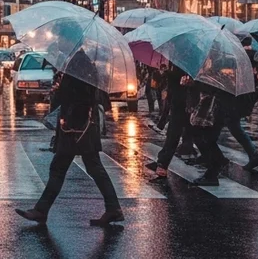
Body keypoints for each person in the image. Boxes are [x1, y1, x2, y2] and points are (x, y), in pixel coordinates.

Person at [16, 55, 125, 227]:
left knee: (66, 168)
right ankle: (112, 209)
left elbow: (79, 95)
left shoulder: (78, 64)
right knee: (82, 167)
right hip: (80, 126)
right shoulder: (78, 62)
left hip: (78, 127)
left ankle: (41, 211)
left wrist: (58, 90)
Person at [150, 66, 190, 179]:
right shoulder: (176, 60)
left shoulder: (187, 60)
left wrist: (168, 73)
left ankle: (218, 161)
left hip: (184, 103)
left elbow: (182, 79)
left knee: (175, 133)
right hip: (177, 101)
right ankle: (162, 162)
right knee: (173, 133)